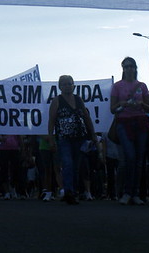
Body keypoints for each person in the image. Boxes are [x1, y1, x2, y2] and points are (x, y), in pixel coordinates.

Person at [48, 74, 97, 205]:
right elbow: (51, 121)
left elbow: (87, 118)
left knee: (76, 165)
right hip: (64, 138)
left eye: (69, 83)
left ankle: (73, 190)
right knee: (67, 163)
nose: (67, 86)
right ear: (59, 87)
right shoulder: (56, 101)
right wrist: (51, 139)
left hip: (79, 137)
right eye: (64, 84)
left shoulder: (78, 99)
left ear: (73, 85)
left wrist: (93, 135)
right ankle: (68, 191)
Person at [110, 57, 149, 205]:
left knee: (139, 160)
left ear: (135, 68)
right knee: (130, 157)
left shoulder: (142, 86)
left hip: (140, 121)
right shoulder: (117, 86)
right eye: (126, 67)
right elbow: (112, 108)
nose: (128, 69)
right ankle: (126, 192)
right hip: (124, 122)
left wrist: (141, 103)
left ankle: (135, 193)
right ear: (123, 69)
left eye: (131, 66)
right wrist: (122, 103)